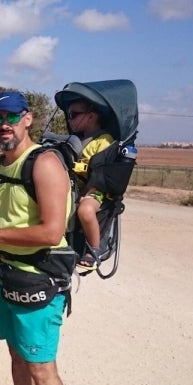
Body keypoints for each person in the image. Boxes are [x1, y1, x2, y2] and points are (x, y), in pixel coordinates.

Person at [0, 91, 72, 385]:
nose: (4, 125)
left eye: (12, 117)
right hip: (5, 277)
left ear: (28, 119)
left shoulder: (44, 163)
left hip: (38, 279)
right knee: (16, 357)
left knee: (42, 369)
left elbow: (52, 232)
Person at [65, 99, 115, 271]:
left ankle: (94, 249)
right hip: (73, 187)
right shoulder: (74, 139)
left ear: (91, 116)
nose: (69, 119)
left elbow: (99, 171)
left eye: (74, 115)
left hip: (96, 190)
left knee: (85, 211)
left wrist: (87, 190)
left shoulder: (104, 141)